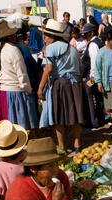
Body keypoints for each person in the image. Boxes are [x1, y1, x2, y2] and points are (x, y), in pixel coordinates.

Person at [37, 19, 85, 152]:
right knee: (75, 115)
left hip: (60, 84)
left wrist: (40, 88)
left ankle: (62, 146)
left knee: (58, 116)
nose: (45, 39)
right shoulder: (73, 48)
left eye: (46, 36)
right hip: (75, 84)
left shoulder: (50, 49)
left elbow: (48, 68)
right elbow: (81, 69)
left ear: (52, 36)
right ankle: (77, 144)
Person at [0, 20, 38, 130]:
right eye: (13, 34)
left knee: (8, 127)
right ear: (8, 36)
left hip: (3, 91)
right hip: (15, 93)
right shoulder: (14, 50)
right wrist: (29, 91)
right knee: (19, 126)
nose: (15, 36)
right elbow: (22, 75)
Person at [81, 23, 105, 129]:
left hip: (92, 76)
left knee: (89, 96)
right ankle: (100, 119)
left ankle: (93, 121)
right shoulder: (99, 42)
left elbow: (94, 61)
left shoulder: (93, 44)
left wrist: (92, 76)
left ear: (91, 33)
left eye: (85, 34)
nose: (84, 37)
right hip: (98, 75)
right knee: (99, 97)